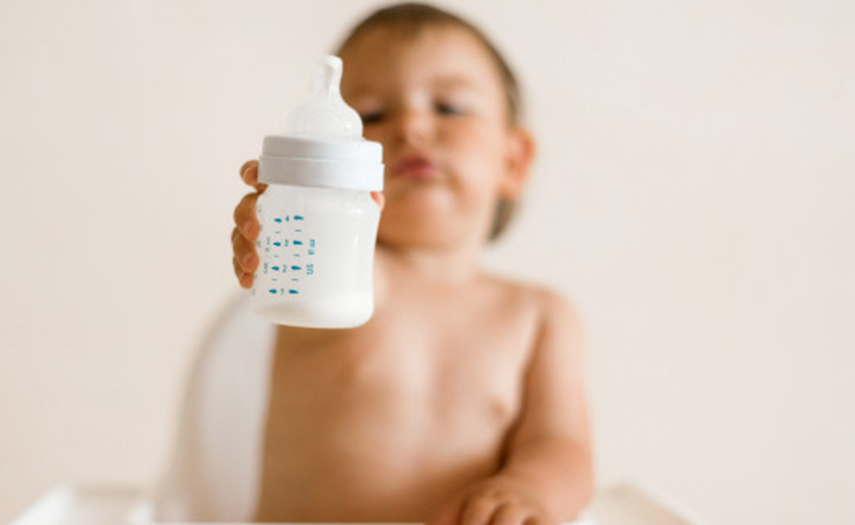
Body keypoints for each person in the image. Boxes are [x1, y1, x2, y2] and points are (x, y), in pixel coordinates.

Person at [230, 3, 593, 524]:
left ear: (513, 160)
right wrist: (282, 215)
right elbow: (302, 264)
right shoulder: (346, 281)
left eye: (450, 107)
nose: (412, 127)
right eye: (373, 116)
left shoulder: (539, 317)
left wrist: (526, 490)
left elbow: (561, 446)